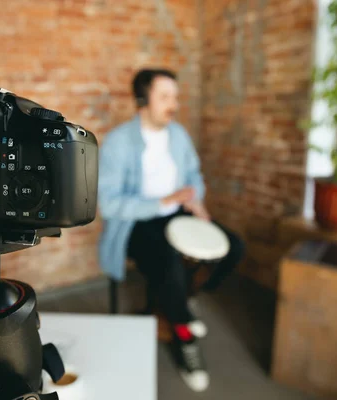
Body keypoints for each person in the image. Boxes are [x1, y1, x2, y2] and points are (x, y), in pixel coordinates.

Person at [98, 69, 245, 392]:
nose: (173, 104)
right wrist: (164, 199)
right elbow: (109, 205)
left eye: (175, 96)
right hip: (136, 222)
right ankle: (185, 336)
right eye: (164, 97)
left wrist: (196, 199)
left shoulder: (178, 134)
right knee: (168, 263)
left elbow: (194, 174)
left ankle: (184, 299)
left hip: (180, 212)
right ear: (142, 100)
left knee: (234, 247)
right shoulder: (118, 142)